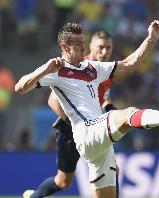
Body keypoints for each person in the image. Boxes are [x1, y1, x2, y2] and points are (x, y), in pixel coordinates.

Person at [15, 21, 159, 198]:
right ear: (65, 46)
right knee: (128, 113)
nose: (82, 47)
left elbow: (129, 64)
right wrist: (45, 69)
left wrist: (151, 38)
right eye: (78, 44)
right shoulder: (55, 70)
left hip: (100, 140)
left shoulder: (93, 67)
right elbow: (20, 87)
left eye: (83, 43)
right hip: (85, 131)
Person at [22, 30, 118, 198]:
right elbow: (52, 100)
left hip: (94, 129)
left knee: (112, 170)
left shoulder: (105, 70)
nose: (105, 52)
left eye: (108, 48)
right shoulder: (79, 65)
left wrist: (108, 105)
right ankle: (34, 196)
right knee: (63, 182)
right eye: (100, 47)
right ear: (91, 47)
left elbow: (103, 95)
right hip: (71, 129)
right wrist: (74, 123)